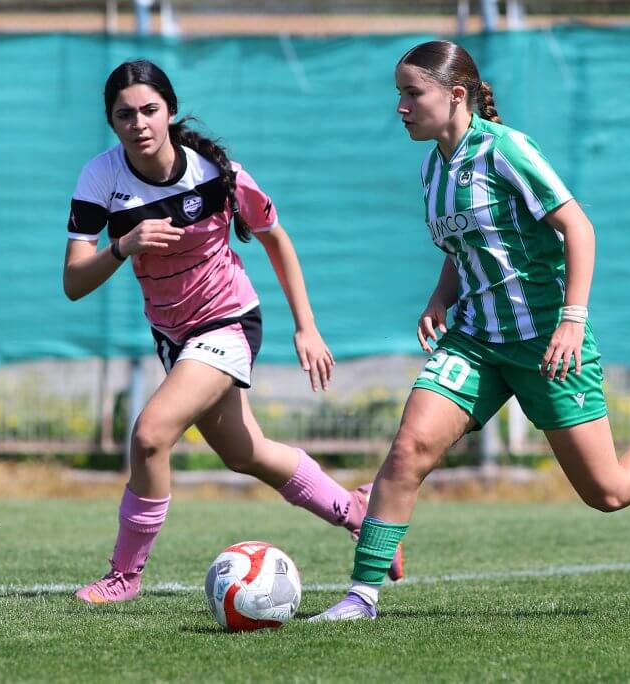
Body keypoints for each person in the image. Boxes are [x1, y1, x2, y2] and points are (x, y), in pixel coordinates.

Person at [311, 40, 630, 622]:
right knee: (408, 450)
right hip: (476, 341)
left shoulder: (506, 150)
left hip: (547, 340)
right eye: (398, 93)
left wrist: (572, 319)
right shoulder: (431, 168)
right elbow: (464, 246)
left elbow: (579, 227)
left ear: (456, 95)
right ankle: (361, 598)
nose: (400, 106)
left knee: (608, 491)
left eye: (411, 93)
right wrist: (440, 298)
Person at [63, 60, 403, 604]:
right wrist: (122, 246)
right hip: (174, 336)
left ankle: (124, 576)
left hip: (228, 321)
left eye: (150, 110)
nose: (139, 124)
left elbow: (276, 238)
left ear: (170, 111)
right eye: (125, 115)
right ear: (111, 121)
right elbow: (74, 282)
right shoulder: (100, 178)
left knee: (150, 435)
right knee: (245, 453)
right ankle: (356, 510)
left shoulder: (217, 175)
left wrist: (307, 327)